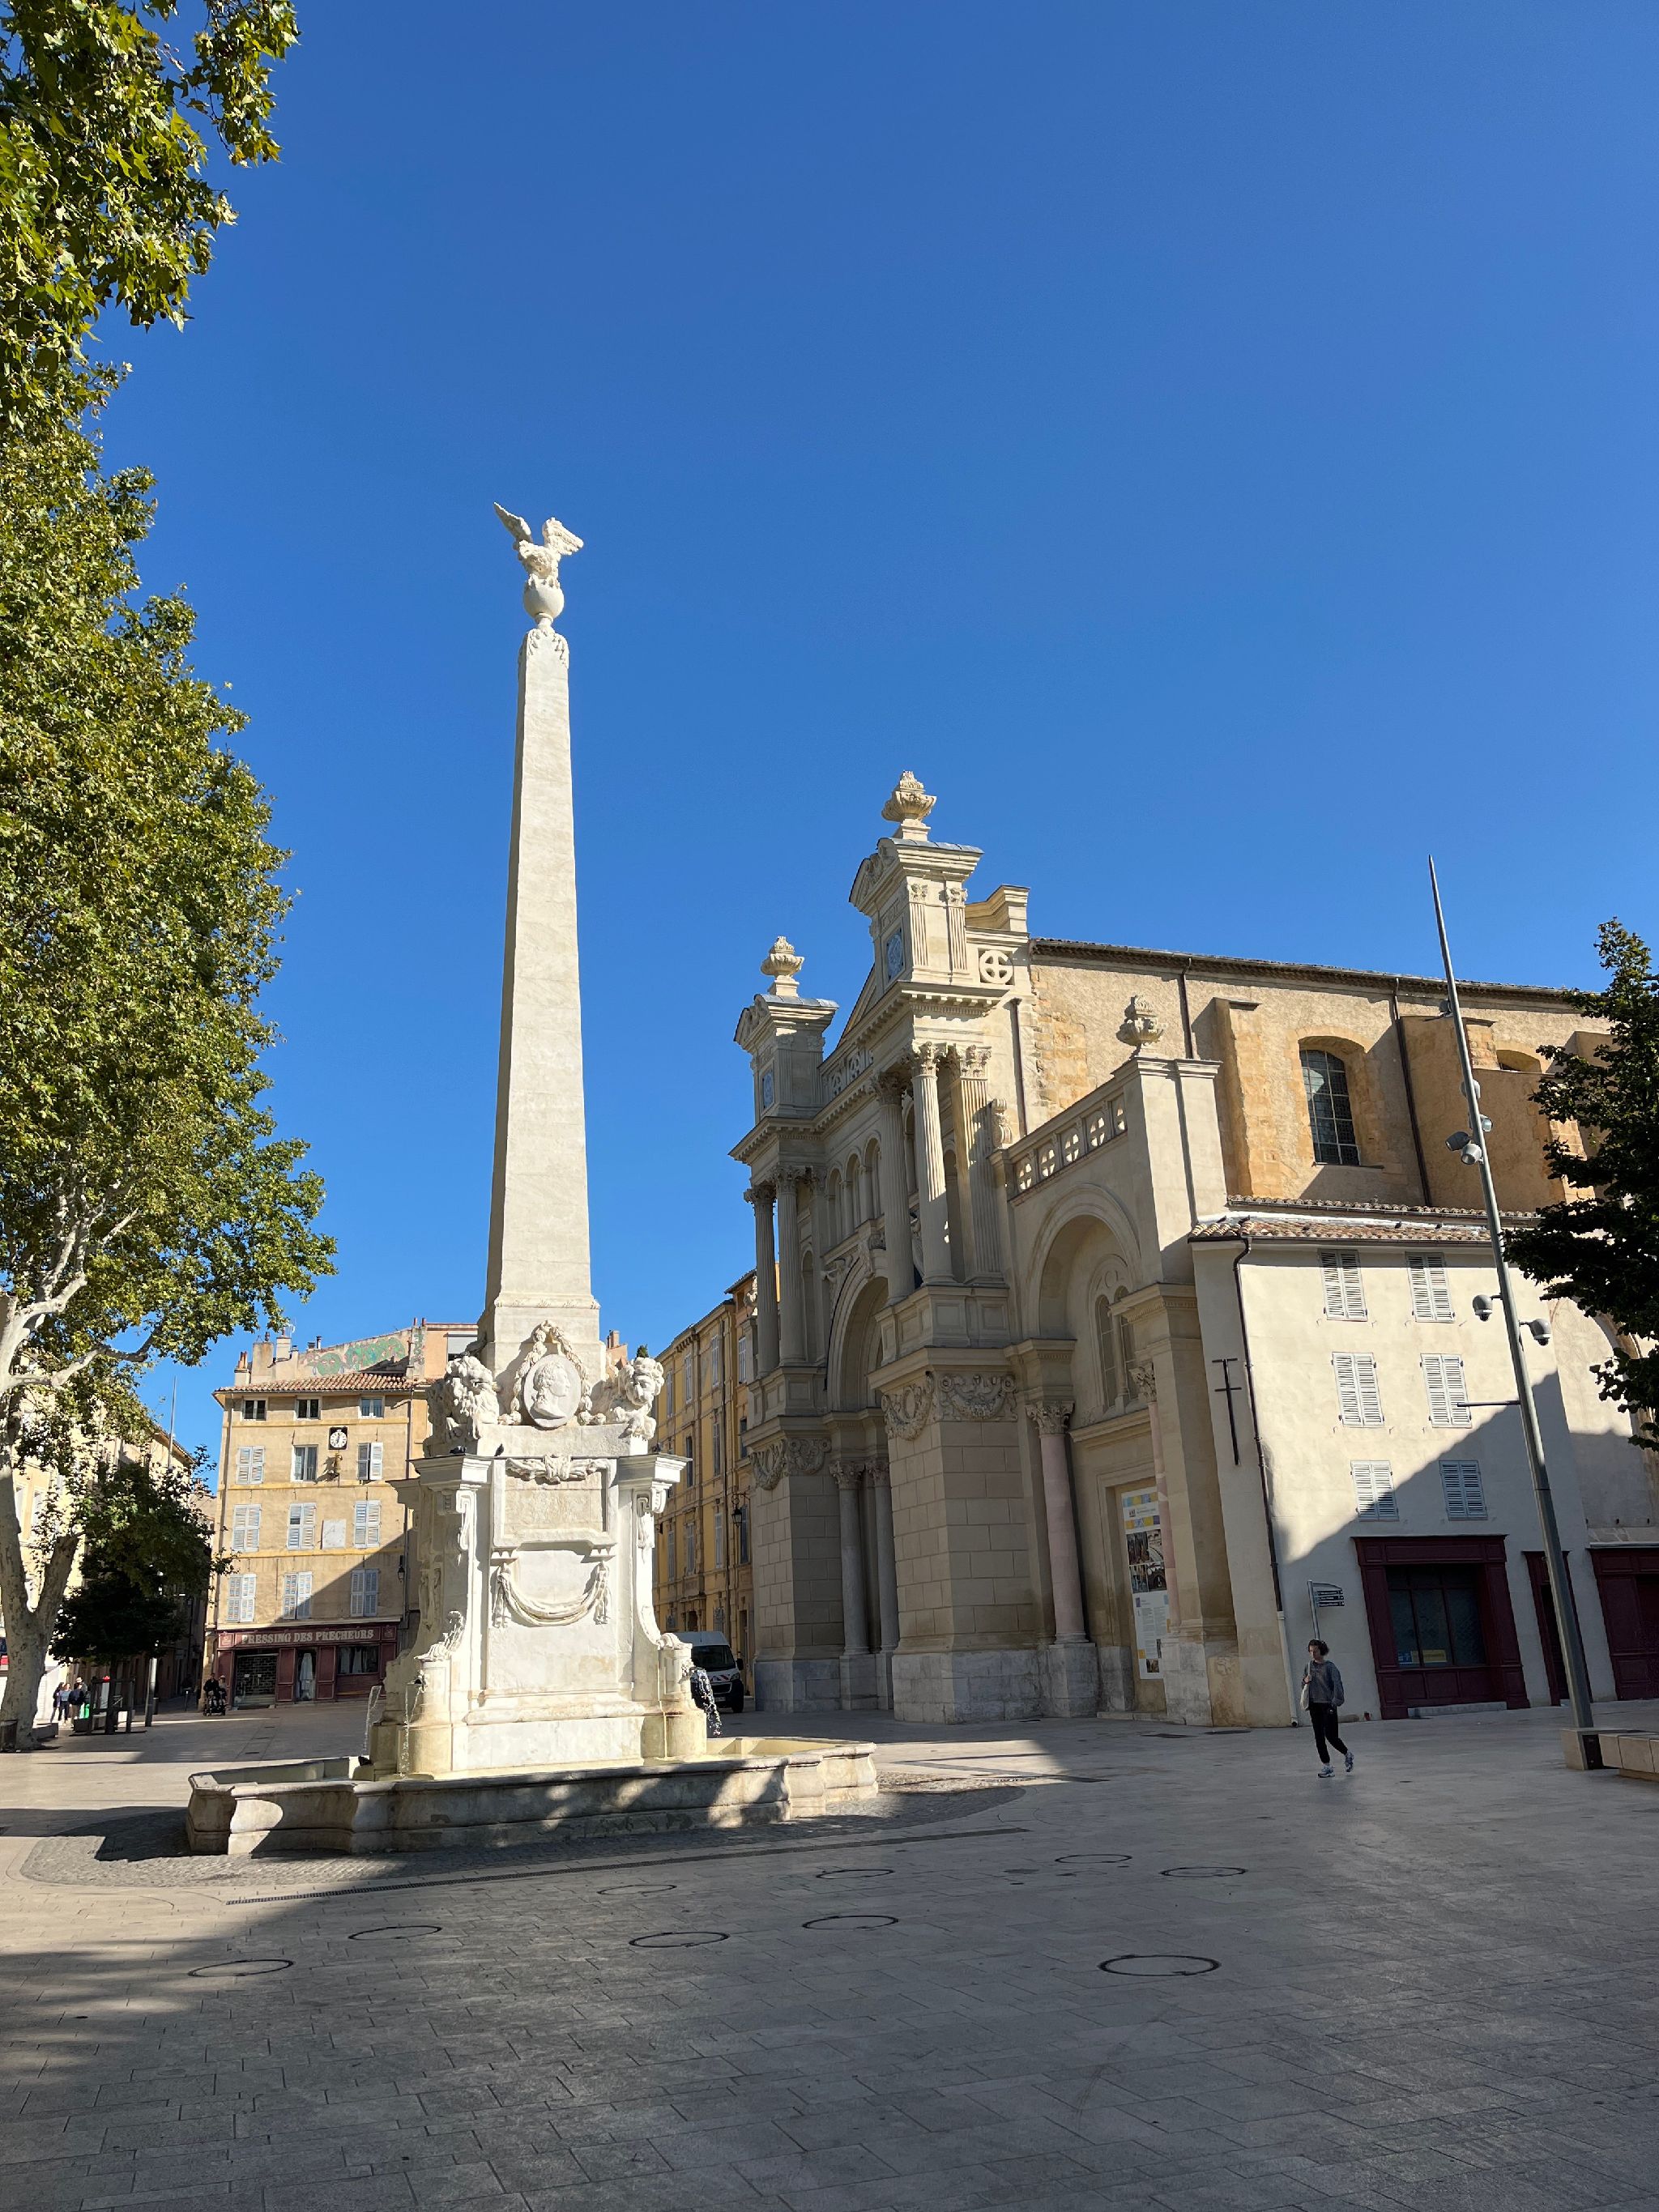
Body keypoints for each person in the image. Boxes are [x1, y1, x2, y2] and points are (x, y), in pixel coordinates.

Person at [1301, 1639, 1353, 1777]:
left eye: (1315, 1651)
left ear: (1322, 1651)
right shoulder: (1308, 1667)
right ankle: (1327, 1765)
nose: (1313, 1654)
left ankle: (1347, 1754)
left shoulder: (1330, 1667)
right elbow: (1303, 1685)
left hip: (1328, 1705)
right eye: (1310, 1651)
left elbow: (1337, 1685)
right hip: (1314, 1705)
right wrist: (1305, 1681)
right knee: (1319, 1737)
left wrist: (1335, 1703)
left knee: (1331, 1735)